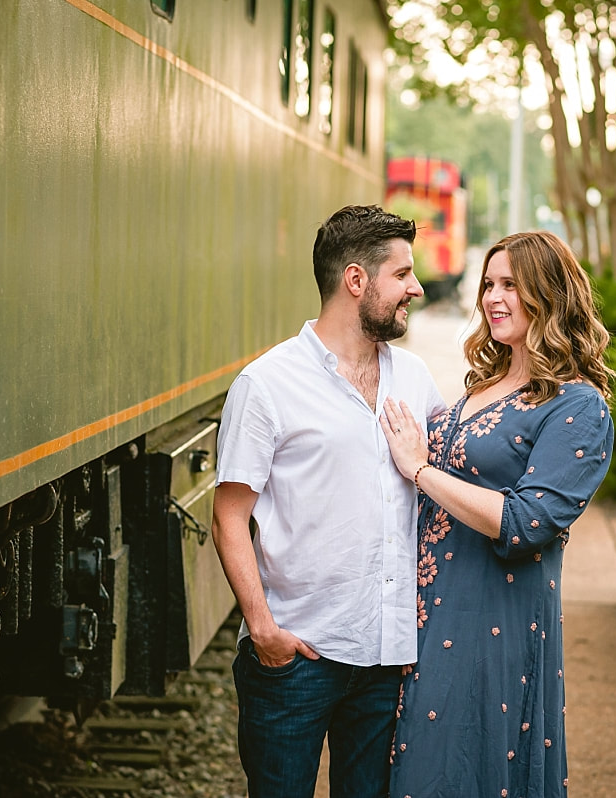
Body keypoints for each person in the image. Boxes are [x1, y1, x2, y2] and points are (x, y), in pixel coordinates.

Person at [210, 205, 448, 798]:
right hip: (296, 659)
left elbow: (450, 481)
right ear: (357, 281)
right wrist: (263, 631)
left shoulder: (414, 378)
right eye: (403, 275)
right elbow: (229, 515)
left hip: (386, 662)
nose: (417, 288)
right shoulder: (266, 385)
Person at [379, 230, 616, 797]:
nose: (493, 297)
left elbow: (527, 522)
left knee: (459, 765)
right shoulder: (481, 386)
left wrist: (420, 470)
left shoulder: (577, 406)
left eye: (512, 284)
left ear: (550, 295)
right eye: (488, 283)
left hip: (490, 622)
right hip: (422, 616)